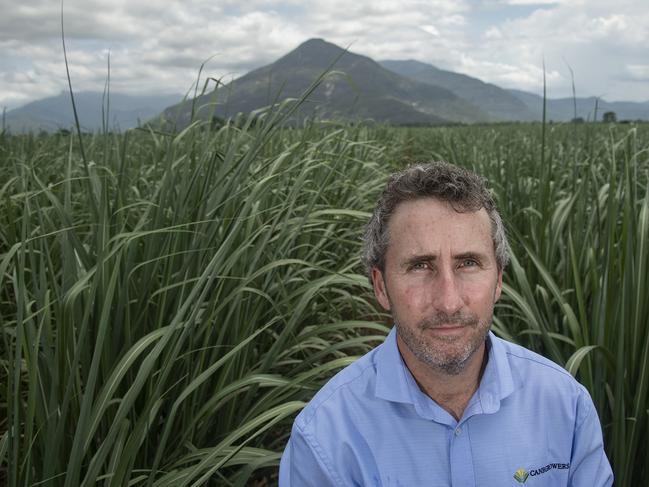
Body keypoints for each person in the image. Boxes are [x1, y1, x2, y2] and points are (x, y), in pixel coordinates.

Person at [279, 161, 613, 486]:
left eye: (468, 263)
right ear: (381, 287)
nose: (449, 302)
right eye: (420, 266)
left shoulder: (566, 407)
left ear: (498, 280)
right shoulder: (324, 439)